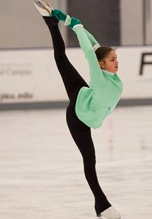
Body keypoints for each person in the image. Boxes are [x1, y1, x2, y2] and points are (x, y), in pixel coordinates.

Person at [34, 1, 123, 218]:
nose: (116, 62)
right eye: (112, 59)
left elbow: (94, 46)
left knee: (62, 60)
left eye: (116, 58)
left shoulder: (111, 76)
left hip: (82, 95)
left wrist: (73, 22)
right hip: (77, 117)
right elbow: (88, 51)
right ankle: (102, 205)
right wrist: (76, 27)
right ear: (101, 65)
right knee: (89, 159)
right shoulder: (99, 79)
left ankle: (51, 22)